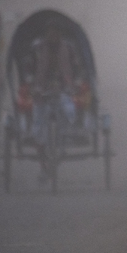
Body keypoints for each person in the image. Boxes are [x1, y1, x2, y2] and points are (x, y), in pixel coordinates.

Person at [30, 20, 80, 183]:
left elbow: (77, 68)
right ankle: (43, 165)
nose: (53, 35)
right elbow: (28, 68)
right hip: (41, 91)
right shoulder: (37, 48)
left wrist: (74, 84)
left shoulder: (69, 48)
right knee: (38, 128)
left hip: (64, 89)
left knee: (69, 112)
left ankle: (64, 141)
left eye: (56, 32)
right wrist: (33, 85)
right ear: (46, 34)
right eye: (50, 32)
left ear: (60, 34)